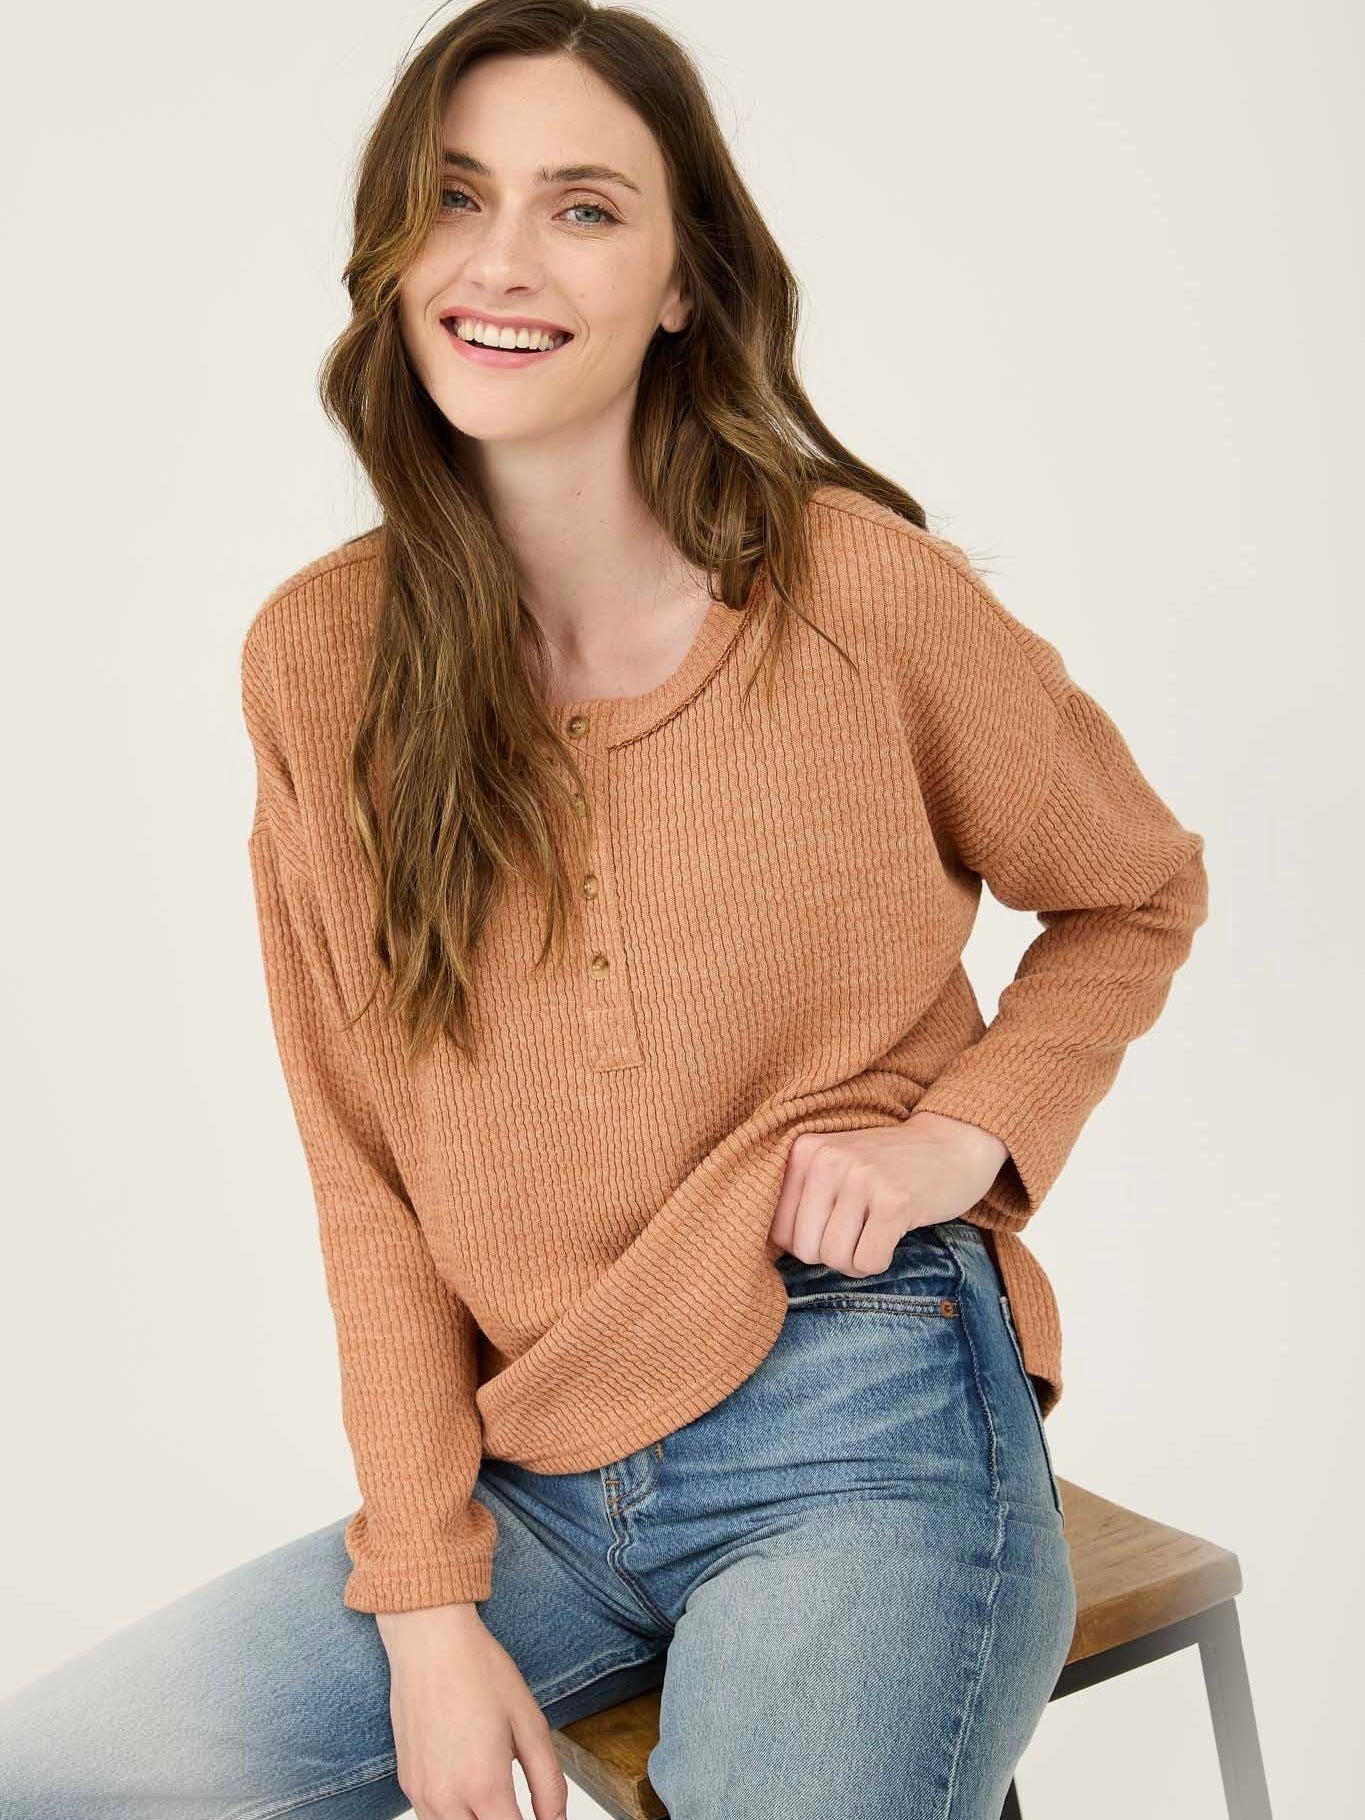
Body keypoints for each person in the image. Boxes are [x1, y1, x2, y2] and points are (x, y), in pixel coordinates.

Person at [0, 2, 1210, 1816]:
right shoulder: (318, 661)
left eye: (582, 207)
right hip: (537, 1463)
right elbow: (364, 1168)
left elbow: (1133, 891)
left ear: (683, 281)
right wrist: (426, 1603)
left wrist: (962, 1136)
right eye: (454, 197)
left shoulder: (857, 596)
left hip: (863, 1412)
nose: (500, 260)